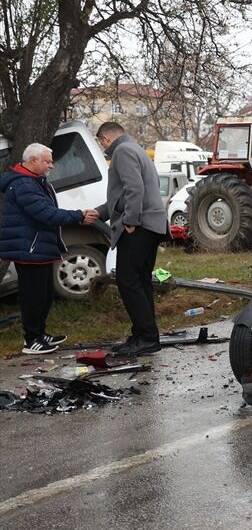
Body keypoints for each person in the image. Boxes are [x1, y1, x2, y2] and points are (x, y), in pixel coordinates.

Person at [0, 143, 98, 355]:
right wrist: (79, 215)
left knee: (44, 295)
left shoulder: (34, 182)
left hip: (39, 248)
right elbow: (45, 214)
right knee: (33, 296)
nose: (51, 166)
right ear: (33, 160)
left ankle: (40, 333)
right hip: (29, 249)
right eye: (47, 161)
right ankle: (31, 340)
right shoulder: (23, 184)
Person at [95, 122, 168, 356]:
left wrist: (130, 221)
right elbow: (126, 194)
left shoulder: (122, 151)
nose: (102, 147)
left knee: (128, 280)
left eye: (100, 143)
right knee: (140, 281)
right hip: (152, 224)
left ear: (106, 138)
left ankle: (147, 337)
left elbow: (134, 189)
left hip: (139, 226)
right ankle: (143, 335)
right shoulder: (136, 149)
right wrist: (99, 213)